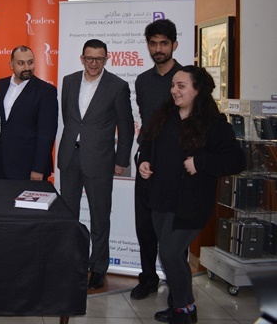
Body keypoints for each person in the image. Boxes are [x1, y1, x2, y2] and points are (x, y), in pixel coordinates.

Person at [138, 66, 244, 324]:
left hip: (191, 203)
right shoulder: (164, 115)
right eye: (173, 85)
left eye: (181, 86)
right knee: (170, 255)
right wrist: (144, 161)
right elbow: (148, 143)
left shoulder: (214, 124)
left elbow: (236, 160)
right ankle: (181, 305)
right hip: (161, 197)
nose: (174, 90)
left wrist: (200, 162)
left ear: (197, 90)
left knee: (170, 253)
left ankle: (184, 308)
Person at [57, 39, 134, 291]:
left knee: (100, 216)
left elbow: (126, 127)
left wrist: (121, 161)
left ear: (106, 59)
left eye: (99, 59)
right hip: (70, 158)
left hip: (100, 160)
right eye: (89, 58)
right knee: (68, 216)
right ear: (82, 58)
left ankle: (99, 267)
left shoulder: (118, 86)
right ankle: (71, 263)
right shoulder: (69, 81)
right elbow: (69, 118)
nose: (93, 63)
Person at [131, 19, 183, 300]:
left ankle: (178, 288)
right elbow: (147, 121)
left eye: (164, 43)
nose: (158, 49)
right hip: (146, 160)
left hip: (176, 164)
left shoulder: (187, 78)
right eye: (153, 43)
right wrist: (143, 155)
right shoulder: (142, 80)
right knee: (145, 226)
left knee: (173, 230)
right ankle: (148, 278)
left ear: (174, 44)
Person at [0, 45, 58, 180]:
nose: (27, 67)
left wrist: (38, 168)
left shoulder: (46, 91)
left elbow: (46, 134)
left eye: (30, 62)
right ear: (11, 65)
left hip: (29, 168)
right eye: (21, 63)